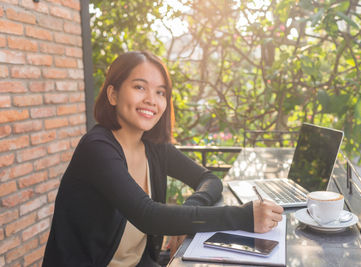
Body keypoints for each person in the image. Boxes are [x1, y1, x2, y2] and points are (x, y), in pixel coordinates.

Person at [42, 51, 283, 267]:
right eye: (139, 87)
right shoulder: (97, 148)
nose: (151, 99)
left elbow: (209, 179)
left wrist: (188, 215)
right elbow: (149, 216)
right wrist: (245, 216)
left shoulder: (154, 148)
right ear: (113, 94)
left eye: (160, 92)